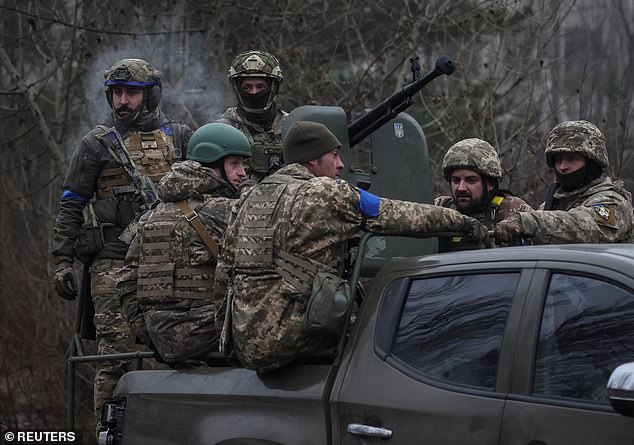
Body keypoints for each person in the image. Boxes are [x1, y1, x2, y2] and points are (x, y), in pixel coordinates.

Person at [214, 120, 488, 373]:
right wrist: (461, 221)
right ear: (312, 158)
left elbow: (224, 273)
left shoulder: (249, 197)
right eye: (334, 155)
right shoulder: (325, 192)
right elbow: (396, 214)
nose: (341, 164)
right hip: (292, 341)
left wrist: (227, 341)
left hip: (245, 344)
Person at [51, 58, 193, 430]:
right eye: (116, 93)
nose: (122, 102)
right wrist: (62, 260)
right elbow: (71, 203)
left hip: (169, 261)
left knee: (181, 349)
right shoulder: (95, 144)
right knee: (114, 357)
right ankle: (108, 431)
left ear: (150, 95)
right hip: (112, 262)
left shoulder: (179, 137)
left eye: (131, 93)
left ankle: (174, 431)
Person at [117, 123, 250, 366]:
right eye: (235, 164)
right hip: (209, 334)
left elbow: (126, 281)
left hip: (162, 341)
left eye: (243, 164)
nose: (242, 172)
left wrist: (151, 338)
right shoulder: (223, 211)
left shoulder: (150, 216)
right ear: (213, 166)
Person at [496, 120, 634, 244]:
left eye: (572, 158)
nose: (562, 166)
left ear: (592, 162)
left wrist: (527, 222)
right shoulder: (552, 203)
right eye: (559, 159)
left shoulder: (613, 202)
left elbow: (584, 228)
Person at [435, 138, 533, 251]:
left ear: (490, 183)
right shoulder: (441, 207)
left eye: (471, 180)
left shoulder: (512, 209)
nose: (461, 188)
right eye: (456, 180)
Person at [217, 50, 288, 180]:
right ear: (237, 88)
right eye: (247, 87)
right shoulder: (221, 130)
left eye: (260, 87)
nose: (254, 93)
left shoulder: (291, 127)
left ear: (274, 87)